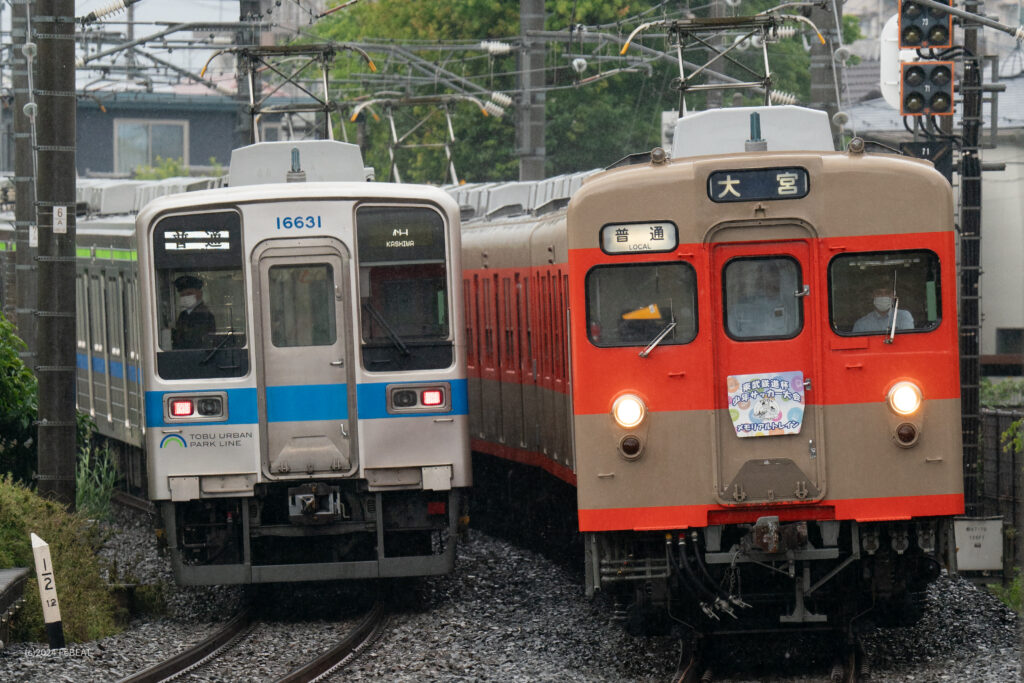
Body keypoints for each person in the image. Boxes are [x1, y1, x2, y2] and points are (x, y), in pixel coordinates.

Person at [171, 275, 216, 349]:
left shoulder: (205, 315)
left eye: (189, 294)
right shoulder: (183, 315)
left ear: (200, 294)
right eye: (182, 295)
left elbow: (194, 341)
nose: (185, 298)